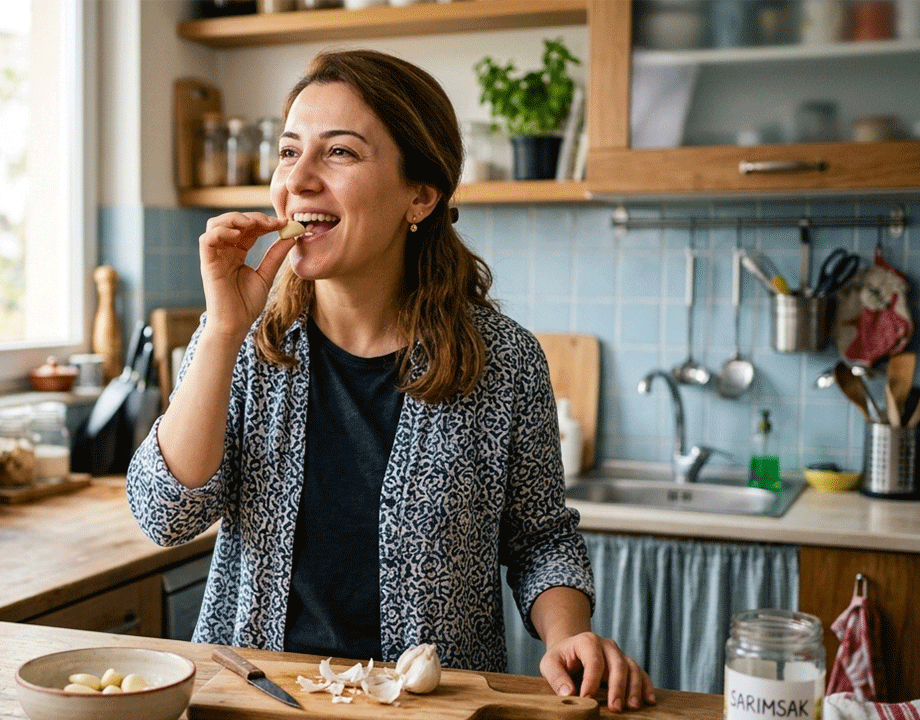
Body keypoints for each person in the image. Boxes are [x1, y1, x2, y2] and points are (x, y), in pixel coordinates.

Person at [127, 49, 655, 712]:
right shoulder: (242, 343)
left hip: (432, 711)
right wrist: (222, 332)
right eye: (290, 152)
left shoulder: (506, 363)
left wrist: (569, 633)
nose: (301, 180)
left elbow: (541, 537)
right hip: (254, 707)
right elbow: (164, 516)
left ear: (421, 195)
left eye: (340, 153)